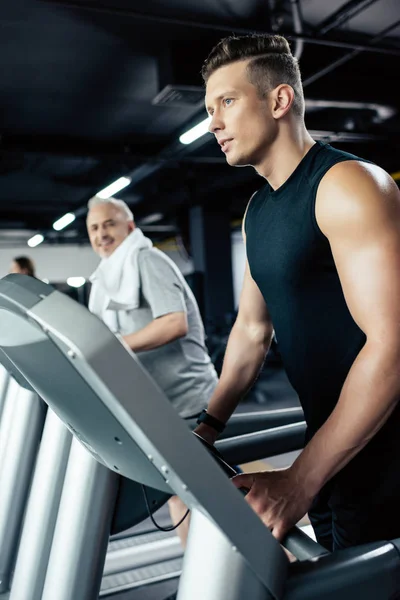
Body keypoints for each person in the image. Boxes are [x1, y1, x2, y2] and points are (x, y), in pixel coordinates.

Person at [194, 33, 400, 552]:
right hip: (337, 455)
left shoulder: (347, 184)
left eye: (228, 101)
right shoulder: (258, 210)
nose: (213, 122)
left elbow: (393, 344)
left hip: (389, 458)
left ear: (280, 100)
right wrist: (207, 426)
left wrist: (299, 480)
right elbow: (251, 329)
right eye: (209, 108)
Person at [86, 195, 218, 540]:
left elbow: (175, 323)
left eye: (109, 224)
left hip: (191, 402)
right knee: (177, 494)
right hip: (158, 407)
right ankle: (201, 585)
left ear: (129, 226)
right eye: (94, 228)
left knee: (218, 497)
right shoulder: (105, 278)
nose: (101, 233)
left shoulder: (146, 260)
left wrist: (114, 346)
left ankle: (282, 573)